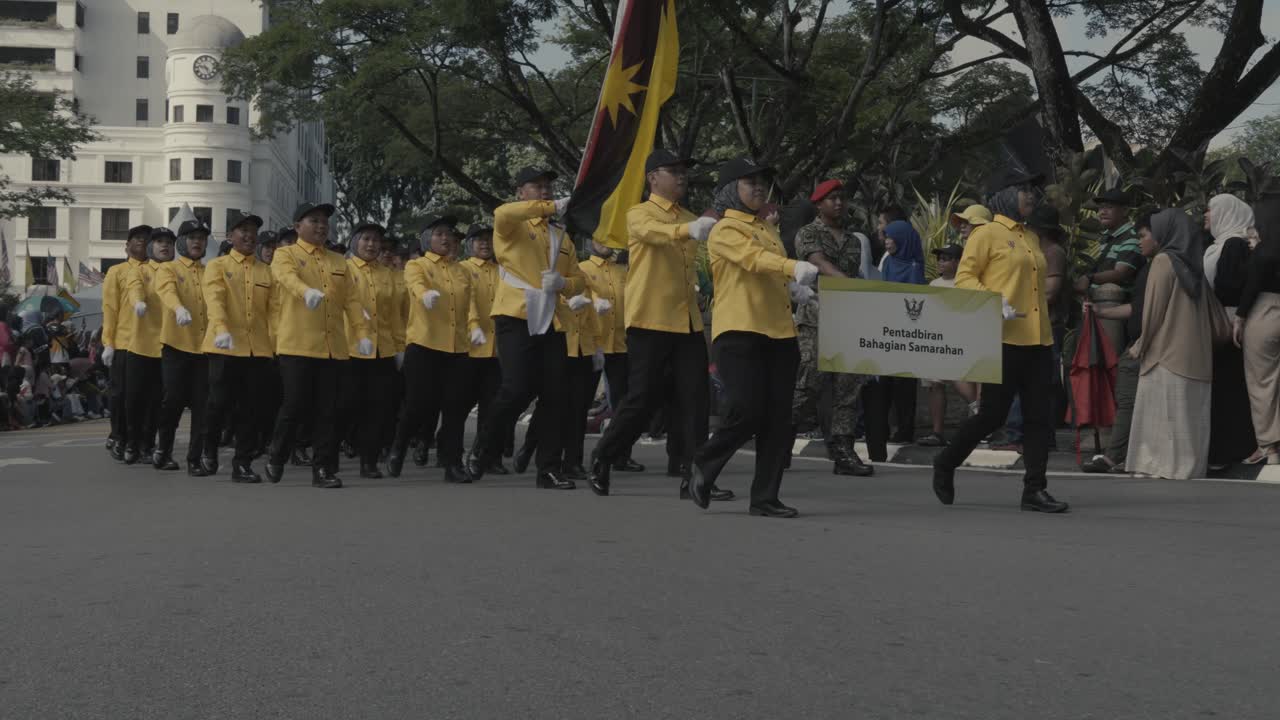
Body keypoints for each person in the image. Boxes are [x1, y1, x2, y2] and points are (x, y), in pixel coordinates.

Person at [687, 157, 820, 517]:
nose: (760, 187)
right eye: (750, 182)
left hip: (778, 331)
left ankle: (765, 497)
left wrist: (792, 288)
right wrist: (793, 267)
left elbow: (766, 270)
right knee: (746, 408)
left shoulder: (766, 228)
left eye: (763, 182)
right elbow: (752, 260)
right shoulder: (725, 229)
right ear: (731, 189)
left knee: (779, 418)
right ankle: (703, 460)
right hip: (740, 330)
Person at [586, 150, 721, 498]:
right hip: (650, 319)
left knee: (695, 399)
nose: (681, 177)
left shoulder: (691, 218)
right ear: (652, 178)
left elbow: (706, 261)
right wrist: (689, 230)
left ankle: (695, 476)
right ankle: (603, 456)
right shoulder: (639, 214)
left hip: (687, 321)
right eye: (673, 171)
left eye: (683, 171)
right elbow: (653, 234)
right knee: (642, 398)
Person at [931, 170, 1068, 513]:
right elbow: (965, 278)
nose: (1031, 196)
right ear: (1006, 195)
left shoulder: (1031, 237)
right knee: (992, 415)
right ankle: (946, 462)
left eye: (1032, 191)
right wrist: (995, 302)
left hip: (1038, 340)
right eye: (1025, 191)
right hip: (1004, 339)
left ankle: (1034, 490)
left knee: (1039, 418)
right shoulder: (986, 233)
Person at [464, 167, 587, 490]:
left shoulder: (561, 236)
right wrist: (552, 205)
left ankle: (547, 468)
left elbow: (579, 281)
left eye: (548, 186)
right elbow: (502, 211)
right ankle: (483, 448)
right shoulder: (511, 225)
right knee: (516, 388)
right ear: (521, 192)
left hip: (552, 317)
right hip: (516, 314)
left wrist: (564, 282)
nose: (544, 191)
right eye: (536, 186)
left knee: (555, 395)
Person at [265, 202, 374, 488]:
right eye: (313, 220)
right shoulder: (285, 254)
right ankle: (277, 454)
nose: (321, 225)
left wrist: (362, 334)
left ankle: (324, 468)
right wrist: (305, 292)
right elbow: (286, 279)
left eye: (324, 221)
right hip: (297, 344)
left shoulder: (340, 262)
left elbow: (352, 301)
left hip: (333, 347)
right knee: (295, 405)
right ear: (297, 226)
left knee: (330, 410)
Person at [1125, 210, 1220, 479]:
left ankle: (1159, 467)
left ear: (1163, 234)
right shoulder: (1194, 265)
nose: (1141, 241)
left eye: (1145, 235)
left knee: (1161, 419)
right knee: (1190, 420)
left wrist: (1140, 345)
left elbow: (1153, 311)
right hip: (1198, 357)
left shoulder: (1164, 261)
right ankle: (1187, 469)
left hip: (1165, 355)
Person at [790, 178, 873, 476]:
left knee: (849, 388)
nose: (839, 203)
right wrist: (851, 284)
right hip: (814, 320)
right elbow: (819, 264)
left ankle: (843, 451)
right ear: (818, 204)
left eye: (842, 198)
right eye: (832, 199)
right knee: (807, 383)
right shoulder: (808, 233)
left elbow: (856, 274)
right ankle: (781, 438)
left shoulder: (853, 241)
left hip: (846, 322)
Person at [387, 217, 474, 483]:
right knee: (418, 404)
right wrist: (425, 295)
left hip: (457, 347)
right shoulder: (417, 265)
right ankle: (399, 446)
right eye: (439, 234)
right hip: (424, 344)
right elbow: (415, 284)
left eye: (449, 234)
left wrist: (475, 326)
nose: (446, 239)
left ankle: (452, 463)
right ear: (427, 239)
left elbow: (471, 305)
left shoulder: (462, 271)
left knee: (455, 408)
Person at [202, 211, 276, 482]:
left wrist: (277, 344)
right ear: (230, 236)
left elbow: (275, 311)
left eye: (252, 230)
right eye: (241, 230)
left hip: (257, 349)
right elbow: (215, 299)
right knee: (218, 403)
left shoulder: (266, 271)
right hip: (224, 346)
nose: (248, 235)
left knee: (251, 409)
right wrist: (221, 329)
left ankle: (242, 463)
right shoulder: (217, 266)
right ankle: (208, 446)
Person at [341, 222, 406, 479]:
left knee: (378, 408)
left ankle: (369, 461)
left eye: (376, 241)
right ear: (355, 241)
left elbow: (396, 317)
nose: (371, 244)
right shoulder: (343, 270)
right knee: (346, 405)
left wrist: (400, 347)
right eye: (366, 239)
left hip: (383, 349)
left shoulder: (387, 274)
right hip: (350, 349)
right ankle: (340, 445)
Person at [577, 237, 644, 473]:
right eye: (599, 237)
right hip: (593, 344)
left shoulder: (622, 270)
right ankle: (573, 460)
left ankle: (620, 455)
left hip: (620, 345)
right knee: (581, 402)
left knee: (624, 404)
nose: (604, 242)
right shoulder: (582, 268)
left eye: (608, 237)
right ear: (589, 241)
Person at [1203, 193, 1257, 469]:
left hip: (1229, 324)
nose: (1206, 215)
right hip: (1223, 321)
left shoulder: (1234, 243)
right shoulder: (1219, 244)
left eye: (1211, 210)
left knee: (1229, 387)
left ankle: (1228, 450)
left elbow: (1228, 285)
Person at [864, 219, 926, 458]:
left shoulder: (913, 266)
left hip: (907, 333)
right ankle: (884, 430)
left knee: (905, 384)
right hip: (885, 330)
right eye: (886, 237)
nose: (887, 241)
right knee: (883, 385)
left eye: (891, 237)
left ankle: (905, 428)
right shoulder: (888, 262)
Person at [153, 220, 210, 475]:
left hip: (205, 349)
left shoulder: (210, 272)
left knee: (202, 406)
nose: (197, 242)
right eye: (192, 237)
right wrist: (178, 309)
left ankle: (194, 459)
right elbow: (166, 292)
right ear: (181, 242)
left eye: (201, 237)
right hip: (176, 345)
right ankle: (163, 450)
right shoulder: (169, 270)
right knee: (173, 402)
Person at [917, 244, 979, 448]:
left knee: (959, 377)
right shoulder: (934, 284)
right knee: (935, 384)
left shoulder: (966, 283)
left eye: (946, 258)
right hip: (936, 340)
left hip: (960, 339)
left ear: (959, 261)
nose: (941, 262)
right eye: (940, 258)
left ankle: (980, 416)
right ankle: (937, 432)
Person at [461, 225, 510, 474]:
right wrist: (473, 326)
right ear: (469, 245)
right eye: (479, 240)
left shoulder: (503, 271)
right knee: (460, 404)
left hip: (498, 348)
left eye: (488, 240)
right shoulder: (463, 269)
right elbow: (466, 300)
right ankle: (450, 450)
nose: (484, 244)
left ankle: (490, 456)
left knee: (493, 407)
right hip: (471, 347)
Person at [123, 227, 174, 464]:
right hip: (141, 344)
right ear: (151, 247)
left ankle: (148, 444)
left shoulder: (178, 271)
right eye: (159, 241)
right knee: (134, 398)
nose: (164, 246)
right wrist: (138, 303)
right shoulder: (140, 271)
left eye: (169, 242)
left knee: (159, 401)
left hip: (169, 345)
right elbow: (134, 289)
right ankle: (131, 442)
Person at [1236, 194, 1280, 465]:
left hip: (1263, 311)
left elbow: (1251, 285)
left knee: (1261, 382)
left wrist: (1240, 317)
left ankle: (1270, 448)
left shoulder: (1264, 251)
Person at [102, 224, 151, 462]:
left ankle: (141, 440)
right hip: (124, 341)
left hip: (150, 343)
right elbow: (110, 308)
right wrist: (108, 342)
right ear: (127, 245)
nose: (142, 242)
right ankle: (119, 435)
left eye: (146, 239)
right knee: (120, 394)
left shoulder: (158, 270)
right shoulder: (117, 271)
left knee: (144, 395)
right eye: (137, 238)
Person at [1075, 188, 1144, 355]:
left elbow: (1121, 273)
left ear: (1125, 211)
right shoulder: (1106, 237)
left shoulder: (1131, 237)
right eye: (1100, 208)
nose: (1102, 212)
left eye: (1109, 207)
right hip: (1100, 306)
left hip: (1119, 312)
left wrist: (1090, 278)